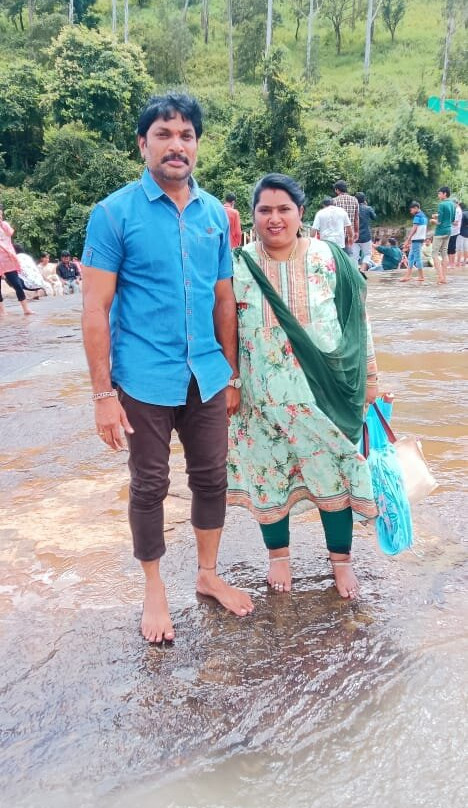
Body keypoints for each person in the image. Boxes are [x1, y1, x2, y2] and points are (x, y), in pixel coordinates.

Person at [81, 92, 254, 644]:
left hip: (206, 374)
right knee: (150, 484)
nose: (176, 145)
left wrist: (231, 374)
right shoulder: (113, 214)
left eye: (186, 136)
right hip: (143, 378)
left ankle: (207, 574)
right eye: (164, 135)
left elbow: (223, 300)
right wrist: (102, 395)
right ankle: (154, 588)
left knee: (212, 477)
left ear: (197, 145)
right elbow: (95, 308)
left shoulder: (215, 215)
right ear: (143, 144)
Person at [227, 174, 378, 601]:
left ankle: (341, 562)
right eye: (265, 210)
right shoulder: (236, 264)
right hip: (259, 397)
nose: (274, 218)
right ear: (253, 216)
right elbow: (224, 329)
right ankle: (278, 556)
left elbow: (357, 321)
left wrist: (371, 379)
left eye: (284, 209)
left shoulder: (329, 258)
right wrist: (231, 382)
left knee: (335, 470)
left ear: (301, 213)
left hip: (324, 394)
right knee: (268, 473)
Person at [0, 205, 34, 316]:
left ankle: (26, 309)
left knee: (17, 284)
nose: (0, 217)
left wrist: (2, 224)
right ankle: (2, 311)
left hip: (8, 260)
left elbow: (10, 233)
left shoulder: (4, 225)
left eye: (1, 215)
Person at [430, 186, 455, 284]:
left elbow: (439, 222)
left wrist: (433, 220)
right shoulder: (452, 204)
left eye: (439, 193)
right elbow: (452, 219)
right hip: (448, 231)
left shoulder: (441, 204)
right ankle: (444, 278)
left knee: (434, 254)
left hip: (440, 232)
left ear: (444, 194)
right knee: (444, 252)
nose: (438, 195)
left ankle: (440, 276)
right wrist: (437, 215)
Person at [401, 201, 428, 282]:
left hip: (416, 239)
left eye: (411, 210)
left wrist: (408, 239)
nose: (411, 212)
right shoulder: (424, 216)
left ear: (416, 208)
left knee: (417, 258)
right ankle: (408, 275)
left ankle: (421, 276)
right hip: (420, 238)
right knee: (411, 257)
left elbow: (414, 228)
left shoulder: (417, 216)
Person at [333, 180, 359, 253]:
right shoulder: (354, 200)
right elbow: (356, 218)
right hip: (350, 233)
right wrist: (356, 232)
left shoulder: (334, 201)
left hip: (337, 234)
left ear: (337, 190)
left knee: (338, 254)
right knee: (348, 254)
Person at [353, 192, 376, 269]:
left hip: (355, 236)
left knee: (354, 256)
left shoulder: (353, 208)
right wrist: (367, 206)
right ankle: (363, 269)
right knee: (367, 254)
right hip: (366, 236)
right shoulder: (368, 208)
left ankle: (356, 271)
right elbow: (374, 217)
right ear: (364, 199)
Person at [447, 199, 462, 269]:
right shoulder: (457, 210)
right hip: (453, 231)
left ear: (456, 203)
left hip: (454, 232)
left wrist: (447, 220)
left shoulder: (457, 211)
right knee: (450, 247)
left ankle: (451, 264)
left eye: (452, 204)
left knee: (451, 248)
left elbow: (455, 223)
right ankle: (451, 263)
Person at [455, 202, 468, 267]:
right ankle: (464, 262)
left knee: (459, 248)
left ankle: (458, 262)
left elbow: (459, 224)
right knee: (466, 248)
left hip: (460, 233)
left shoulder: (461, 214)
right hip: (467, 234)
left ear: (459, 207)